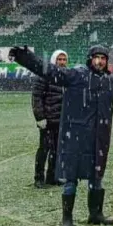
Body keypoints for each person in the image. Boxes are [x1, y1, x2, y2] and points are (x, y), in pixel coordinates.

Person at [10, 45, 113, 226]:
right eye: (96, 57)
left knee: (96, 178)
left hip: (99, 138)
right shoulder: (76, 76)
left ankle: (95, 214)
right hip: (75, 138)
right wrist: (25, 57)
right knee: (71, 179)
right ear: (90, 59)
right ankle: (67, 218)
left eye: (103, 58)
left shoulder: (110, 81)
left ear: (106, 61)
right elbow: (49, 71)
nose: (99, 61)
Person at [30, 49, 67, 188]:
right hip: (47, 121)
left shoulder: (66, 76)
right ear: (54, 60)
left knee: (57, 150)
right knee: (44, 149)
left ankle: (52, 177)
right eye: (59, 59)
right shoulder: (44, 75)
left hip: (61, 120)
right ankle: (39, 178)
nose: (62, 62)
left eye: (64, 60)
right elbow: (36, 97)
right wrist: (40, 118)